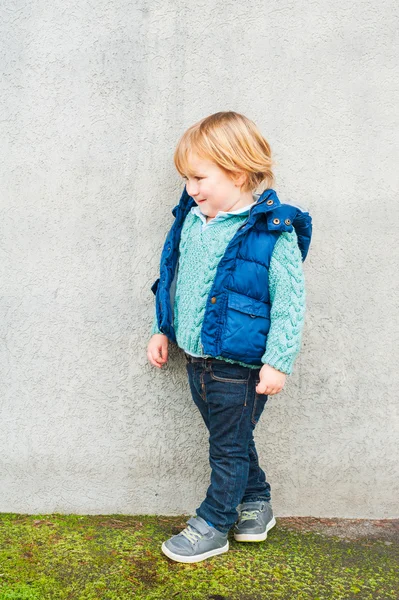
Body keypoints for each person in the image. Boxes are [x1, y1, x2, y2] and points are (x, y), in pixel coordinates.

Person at [147, 111, 312, 564]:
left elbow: (290, 302)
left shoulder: (269, 234)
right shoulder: (193, 224)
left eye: (199, 177)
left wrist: (278, 361)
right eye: (186, 179)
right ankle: (256, 502)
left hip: (240, 370)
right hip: (198, 361)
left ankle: (215, 522)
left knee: (227, 448)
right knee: (234, 440)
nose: (190, 189)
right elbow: (173, 279)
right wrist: (162, 329)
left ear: (237, 173)